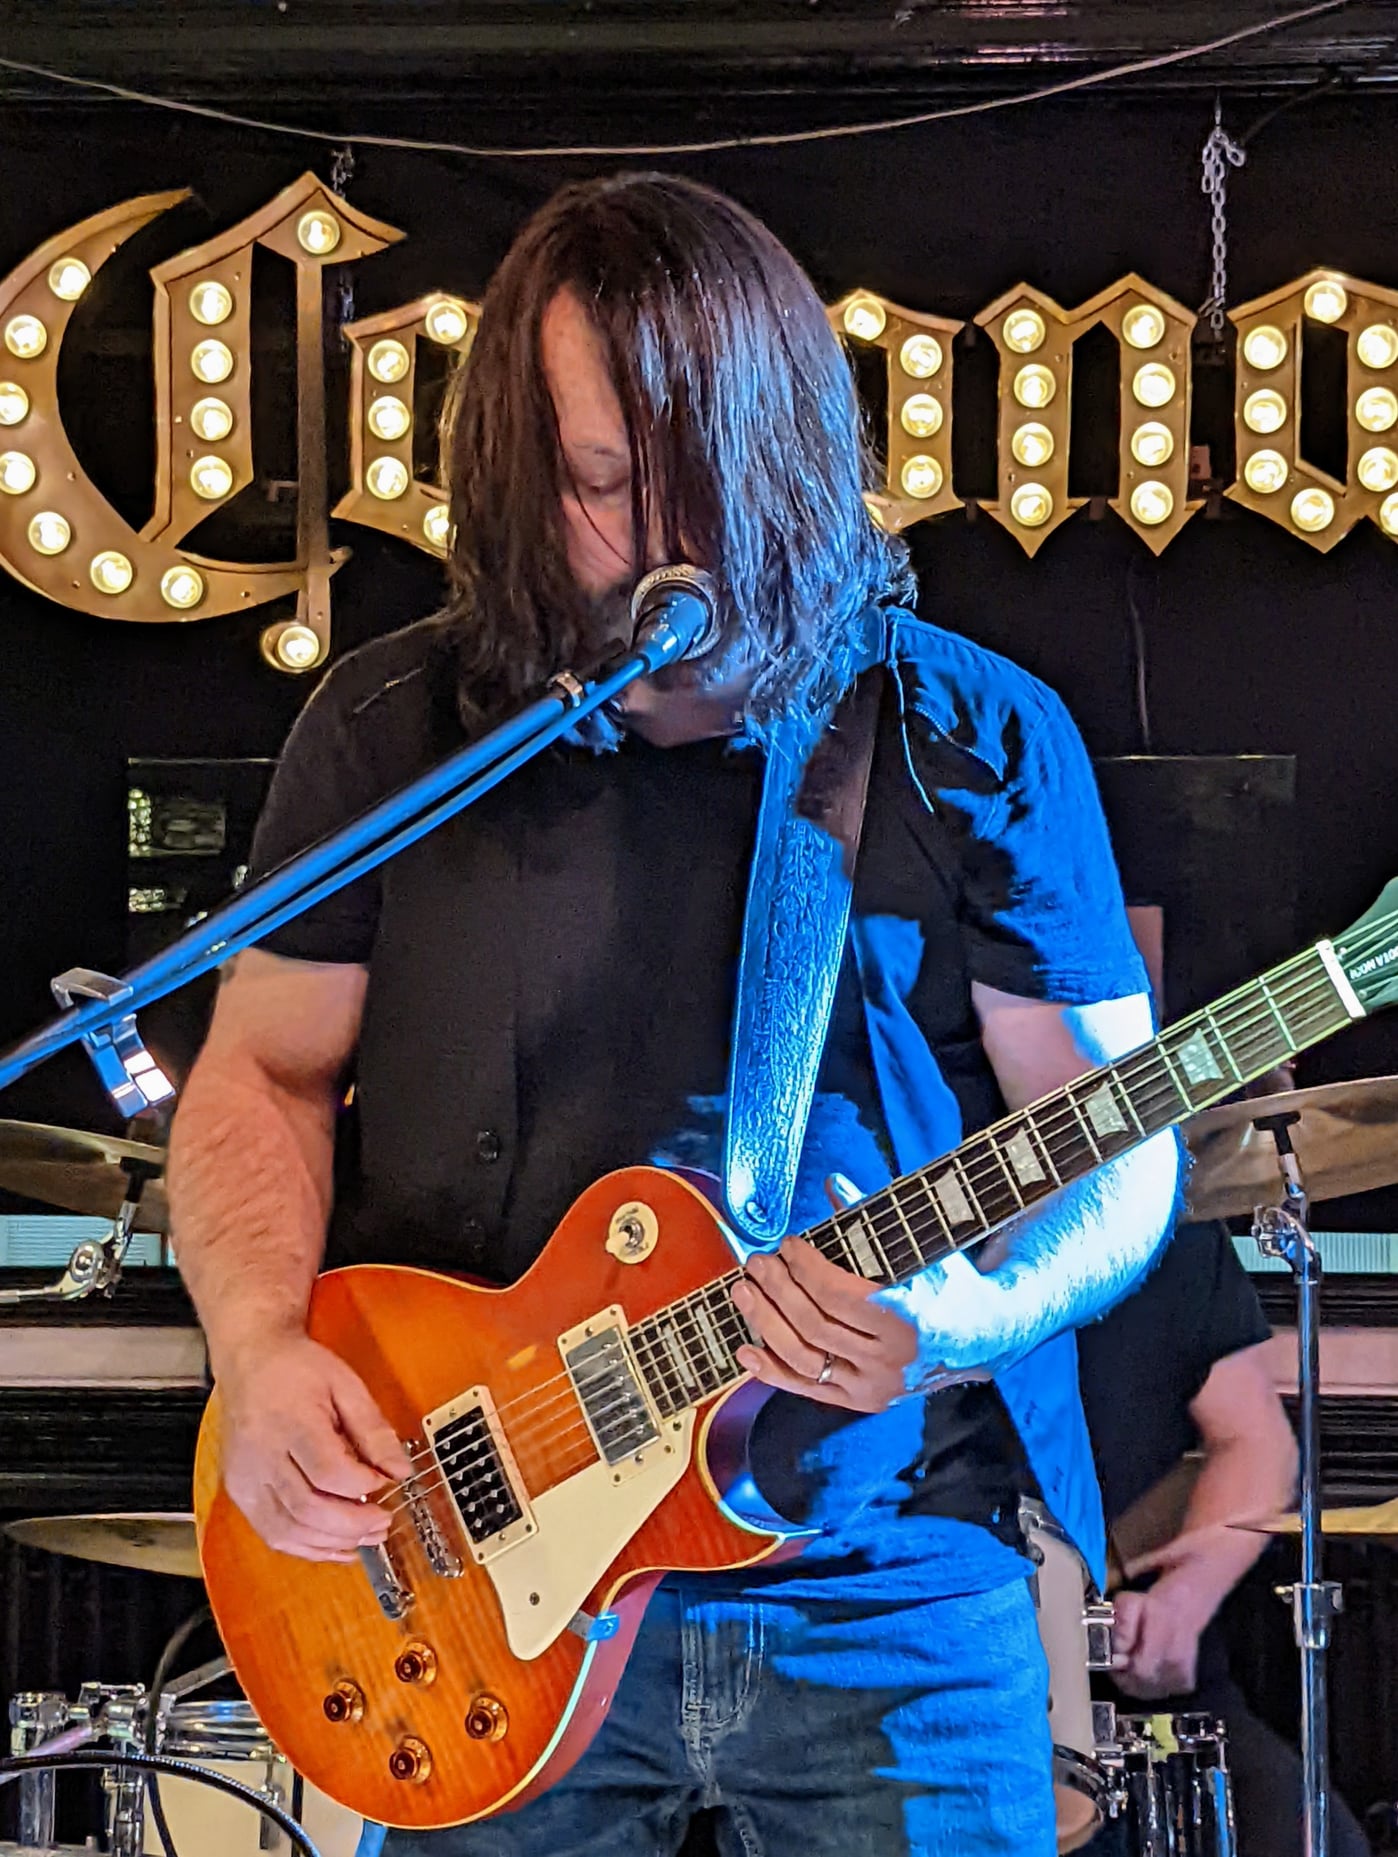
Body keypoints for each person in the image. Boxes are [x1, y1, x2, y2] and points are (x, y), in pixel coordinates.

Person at [165, 173, 1180, 1857]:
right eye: (602, 481)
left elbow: (1117, 1145)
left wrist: (965, 1309)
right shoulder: (393, 732)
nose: (666, 538)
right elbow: (261, 1072)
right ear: (517, 470)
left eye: (710, 473)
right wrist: (260, 1351)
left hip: (887, 1584)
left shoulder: (970, 732)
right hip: (475, 1571)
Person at [1076, 1216, 1369, 1857]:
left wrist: (1184, 1598)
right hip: (970, 1672)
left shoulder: (1167, 1235)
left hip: (1148, 1688)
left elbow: (1255, 1440)